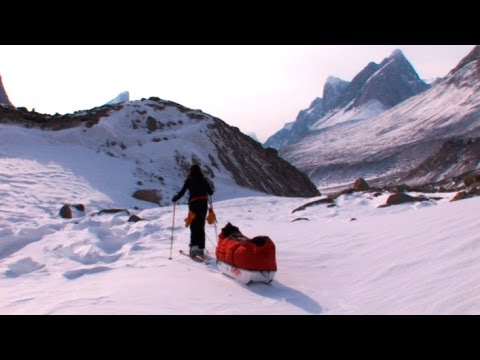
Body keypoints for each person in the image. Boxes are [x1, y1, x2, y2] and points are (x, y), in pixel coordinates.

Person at [172, 164, 214, 257]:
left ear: (190, 171)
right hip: (203, 204)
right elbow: (210, 192)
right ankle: (201, 248)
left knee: (194, 226)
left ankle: (194, 248)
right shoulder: (203, 179)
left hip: (194, 205)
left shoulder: (189, 180)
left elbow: (182, 192)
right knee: (201, 226)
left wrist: (175, 198)